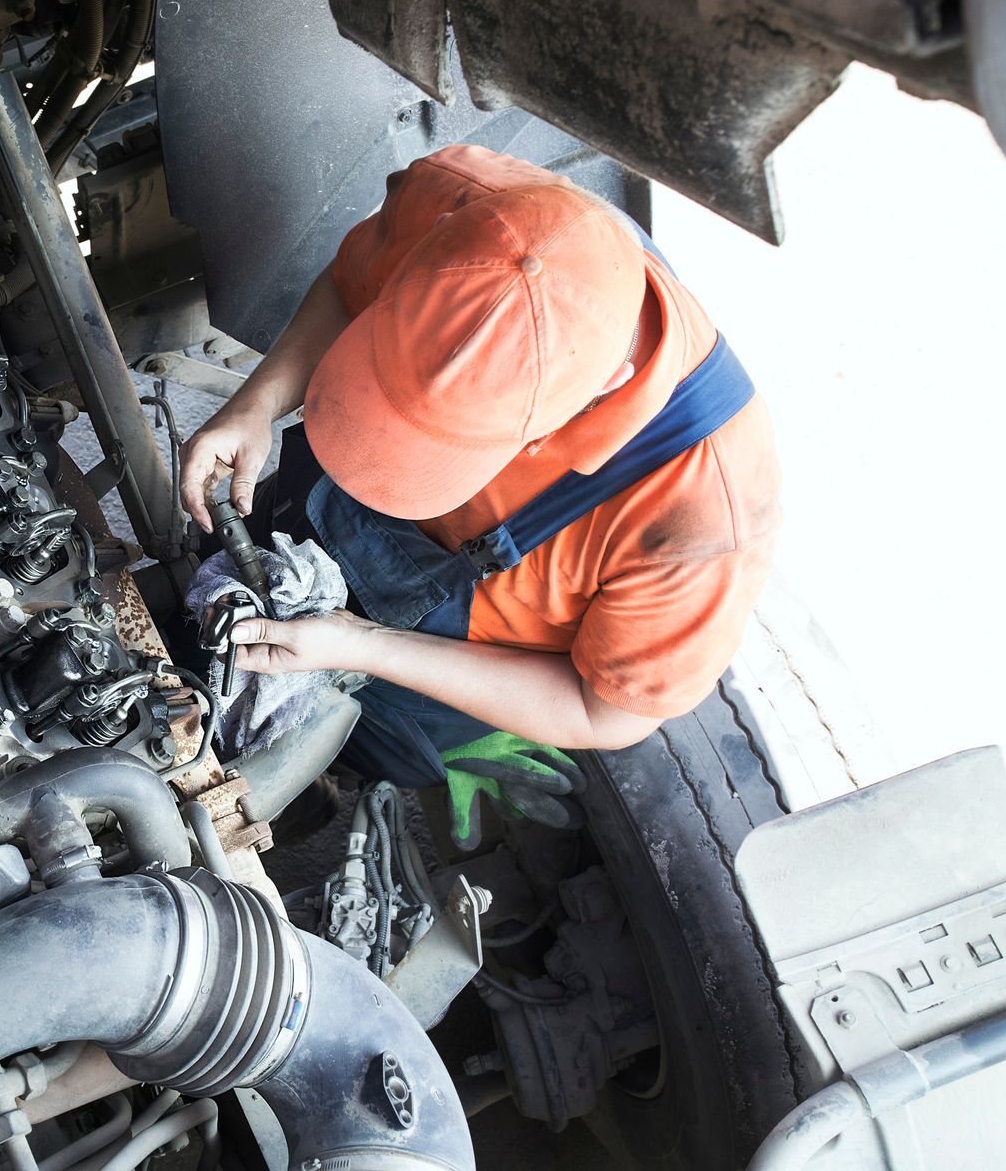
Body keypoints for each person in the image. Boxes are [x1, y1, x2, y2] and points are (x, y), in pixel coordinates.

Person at [179, 145, 780, 847]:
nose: (386, 455)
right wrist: (257, 403)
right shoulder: (467, 206)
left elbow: (607, 713)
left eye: (429, 448)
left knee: (369, 748)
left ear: (566, 420)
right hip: (319, 515)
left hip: (435, 669)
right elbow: (348, 285)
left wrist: (364, 647)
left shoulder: (704, 518)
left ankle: (341, 775)